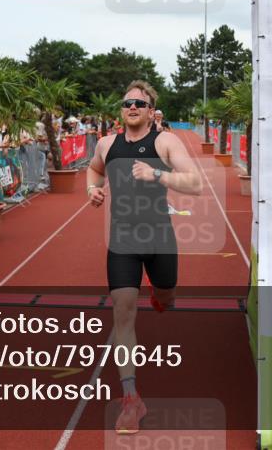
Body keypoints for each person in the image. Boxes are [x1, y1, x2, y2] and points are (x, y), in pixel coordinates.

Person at [86, 80, 202, 434]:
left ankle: (161, 294)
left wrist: (157, 173)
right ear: (121, 110)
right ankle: (131, 397)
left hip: (159, 237)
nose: (132, 106)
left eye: (140, 103)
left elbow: (195, 183)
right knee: (123, 311)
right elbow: (93, 169)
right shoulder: (107, 144)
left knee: (166, 294)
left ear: (151, 111)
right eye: (127, 102)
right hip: (122, 239)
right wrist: (93, 188)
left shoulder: (165, 141)